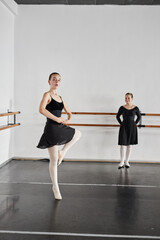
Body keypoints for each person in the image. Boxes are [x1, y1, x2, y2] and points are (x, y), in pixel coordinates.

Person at [37, 72, 81, 200]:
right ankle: (55, 187)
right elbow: (41, 109)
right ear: (49, 81)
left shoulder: (61, 98)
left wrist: (68, 120)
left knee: (77, 133)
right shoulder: (47, 95)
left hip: (60, 127)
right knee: (53, 160)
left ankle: (63, 152)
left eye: (59, 80)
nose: (56, 82)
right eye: (54, 79)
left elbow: (69, 113)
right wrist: (57, 119)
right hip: (51, 128)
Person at [116, 93, 141, 169]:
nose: (127, 99)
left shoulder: (135, 108)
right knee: (122, 145)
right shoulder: (122, 108)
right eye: (126, 98)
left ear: (132, 98)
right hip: (124, 127)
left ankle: (127, 161)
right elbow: (117, 116)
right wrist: (121, 124)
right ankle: (121, 162)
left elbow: (139, 117)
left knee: (129, 145)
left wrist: (134, 124)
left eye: (128, 98)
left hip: (132, 127)